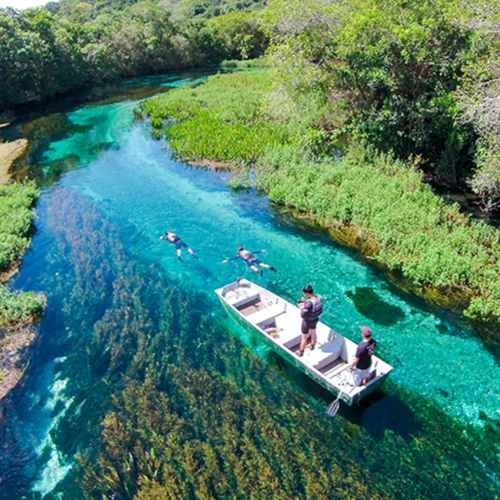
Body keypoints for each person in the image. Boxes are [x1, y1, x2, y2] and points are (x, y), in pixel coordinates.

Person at [297, 284, 323, 357]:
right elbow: (314, 306)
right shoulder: (319, 298)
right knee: (313, 331)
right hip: (315, 319)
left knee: (304, 337)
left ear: (307, 293)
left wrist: (301, 307)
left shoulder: (309, 303)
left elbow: (302, 314)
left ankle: (301, 352)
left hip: (307, 321)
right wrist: (306, 301)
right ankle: (312, 345)